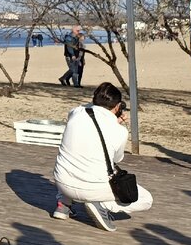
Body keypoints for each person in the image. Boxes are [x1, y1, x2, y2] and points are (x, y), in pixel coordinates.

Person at [52, 82, 153, 231]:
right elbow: (117, 159)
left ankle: (63, 205)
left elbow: (90, 113)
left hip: (62, 181)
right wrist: (116, 122)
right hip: (92, 187)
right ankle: (101, 204)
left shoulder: (76, 112)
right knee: (146, 199)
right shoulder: (119, 131)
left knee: (74, 157)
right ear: (118, 107)